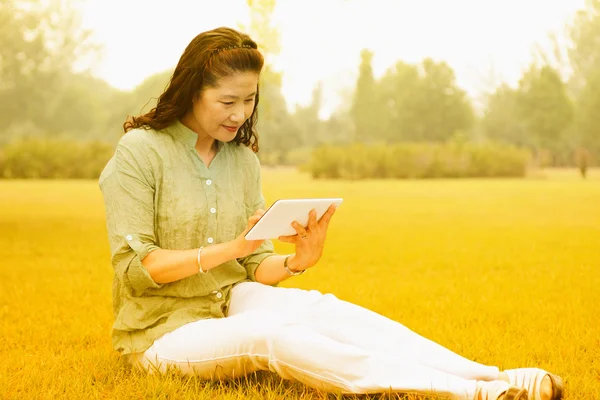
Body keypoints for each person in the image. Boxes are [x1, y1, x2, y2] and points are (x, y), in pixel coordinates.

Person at [98, 27, 563, 400]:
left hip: (227, 302)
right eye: (227, 101)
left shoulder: (241, 161)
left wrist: (297, 261)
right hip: (161, 333)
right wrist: (230, 249)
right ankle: (471, 393)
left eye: (250, 99)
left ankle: (493, 375)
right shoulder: (141, 152)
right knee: (270, 334)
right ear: (192, 92)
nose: (241, 114)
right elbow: (139, 271)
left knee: (324, 310)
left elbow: (254, 266)